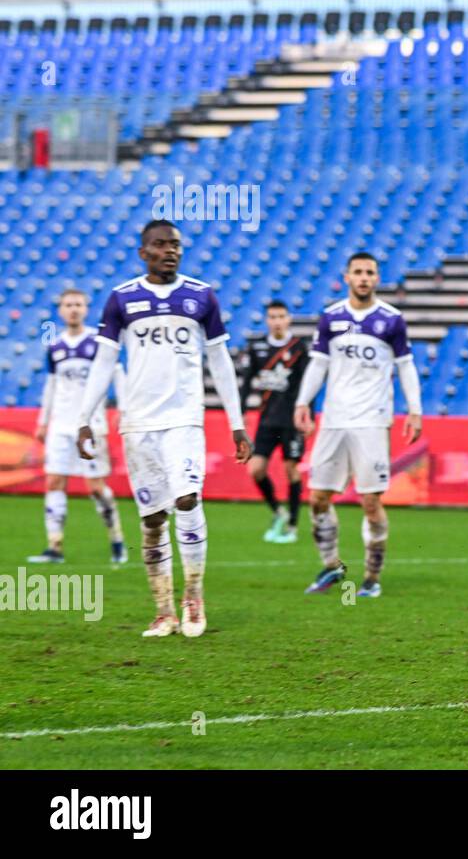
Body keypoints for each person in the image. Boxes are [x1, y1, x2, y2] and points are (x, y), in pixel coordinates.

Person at [77, 220, 251, 637]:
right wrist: (84, 417)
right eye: (161, 245)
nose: (170, 251)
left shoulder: (200, 296)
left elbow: (220, 361)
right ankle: (163, 611)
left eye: (175, 245)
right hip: (138, 423)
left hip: (184, 419)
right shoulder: (122, 299)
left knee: (188, 499)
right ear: (144, 253)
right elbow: (104, 361)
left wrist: (237, 423)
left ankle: (193, 597)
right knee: (153, 518)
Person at [294, 252, 423, 599]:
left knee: (369, 500)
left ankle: (371, 576)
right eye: (358, 272)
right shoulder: (331, 317)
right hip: (333, 421)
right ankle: (331, 565)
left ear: (377, 279)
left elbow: (406, 366)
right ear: (347, 277)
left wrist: (414, 410)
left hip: (371, 421)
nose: (364, 278)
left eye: (370, 272)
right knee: (318, 498)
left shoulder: (391, 320)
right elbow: (318, 364)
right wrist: (302, 402)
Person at [28, 288, 127, 565]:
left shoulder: (98, 343)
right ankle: (54, 546)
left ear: (86, 309)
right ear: (61, 310)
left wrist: (122, 407)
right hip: (60, 424)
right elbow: (51, 385)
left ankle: (117, 540)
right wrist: (43, 421)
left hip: (90, 424)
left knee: (96, 487)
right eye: (68, 304)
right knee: (54, 481)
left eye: (78, 304)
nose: (73, 309)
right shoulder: (55, 346)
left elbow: (118, 373)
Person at [240, 300, 310, 543]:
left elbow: (308, 385)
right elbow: (247, 382)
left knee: (292, 470)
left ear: (288, 319)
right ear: (267, 320)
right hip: (267, 421)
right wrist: (239, 414)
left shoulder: (299, 348)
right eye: (272, 317)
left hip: (291, 421)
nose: (277, 321)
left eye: (281, 316)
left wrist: (307, 415)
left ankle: (292, 525)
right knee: (256, 469)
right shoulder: (258, 348)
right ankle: (278, 512)